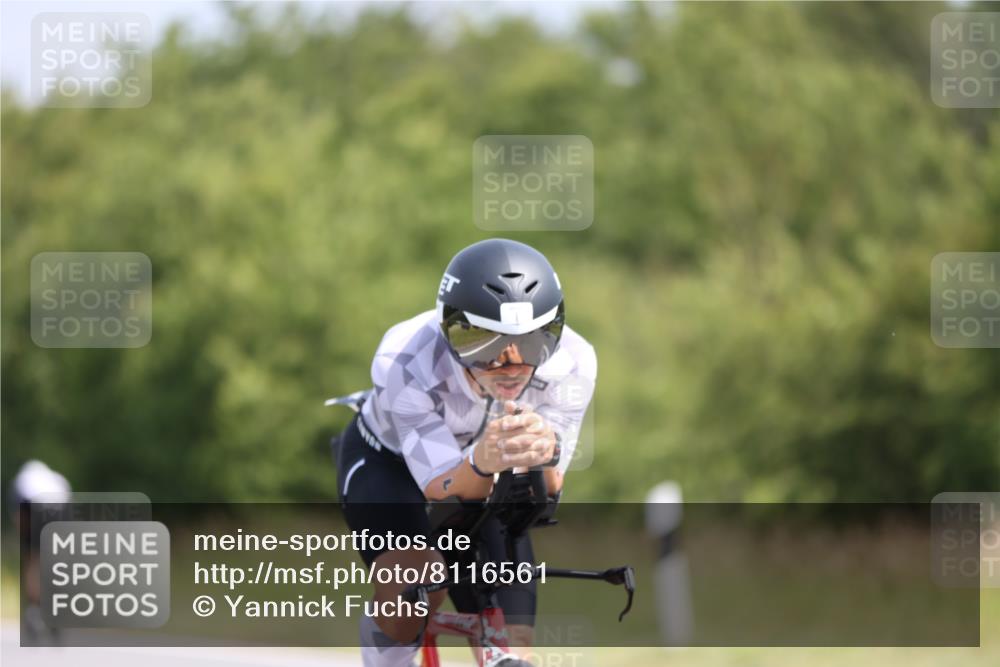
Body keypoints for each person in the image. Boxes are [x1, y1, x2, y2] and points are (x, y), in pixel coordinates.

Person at [333, 238, 596, 667]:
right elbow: (442, 488)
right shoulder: (404, 357)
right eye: (486, 344)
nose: (510, 364)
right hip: (390, 464)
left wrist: (546, 452)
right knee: (414, 592)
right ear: (451, 329)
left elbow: (548, 487)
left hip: (492, 474)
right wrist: (480, 460)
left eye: (532, 342)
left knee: (513, 640)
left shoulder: (576, 361)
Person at [9, 459, 72, 644]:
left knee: (33, 561)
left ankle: (35, 610)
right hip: (60, 515)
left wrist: (25, 542)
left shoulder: (22, 482)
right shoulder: (57, 480)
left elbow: (19, 516)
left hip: (37, 511)